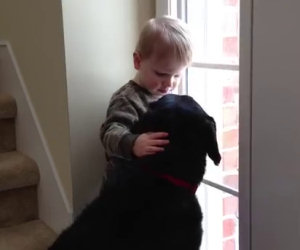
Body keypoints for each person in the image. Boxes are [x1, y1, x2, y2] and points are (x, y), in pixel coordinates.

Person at [100, 16, 193, 170]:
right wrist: (134, 143)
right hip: (127, 184)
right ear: (138, 61)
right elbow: (109, 135)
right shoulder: (127, 99)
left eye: (177, 75)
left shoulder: (167, 96)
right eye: (161, 74)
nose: (170, 83)